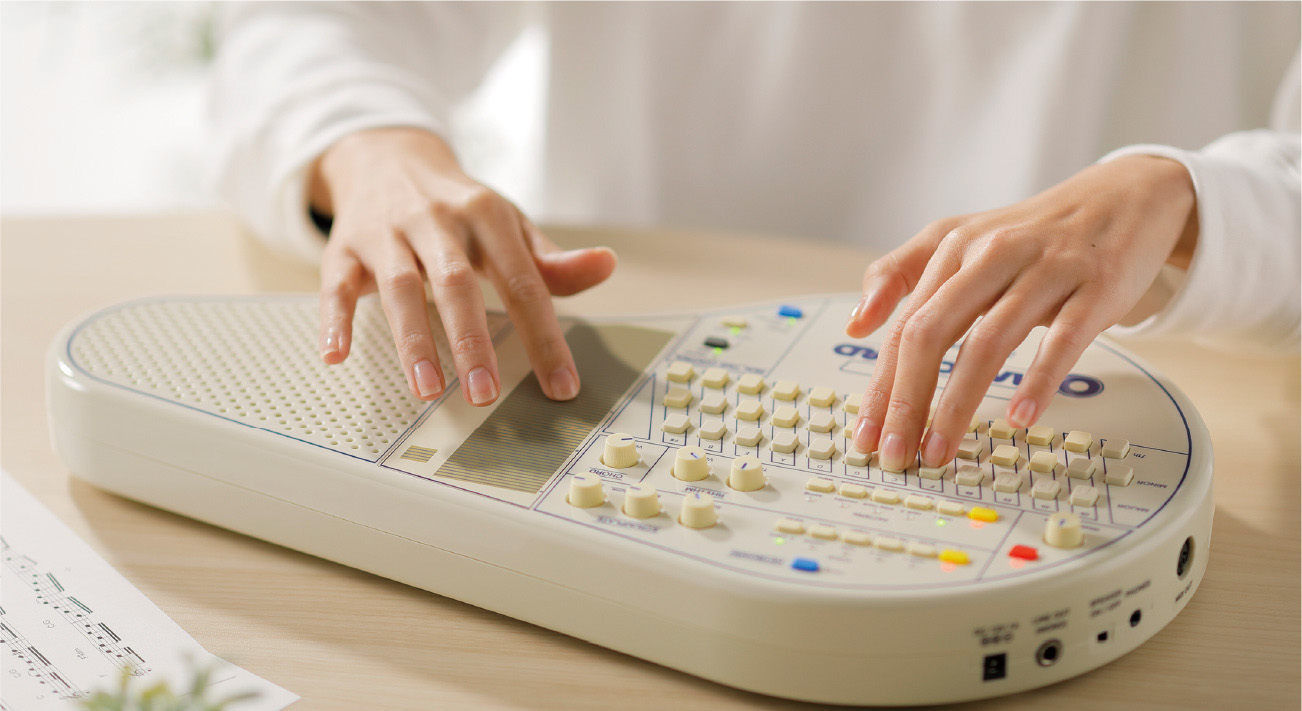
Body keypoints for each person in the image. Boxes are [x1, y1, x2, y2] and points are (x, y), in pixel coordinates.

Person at [210, 1, 1300, 471]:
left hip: (1090, 423)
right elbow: (314, 22)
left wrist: (1195, 200)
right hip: (633, 385)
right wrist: (371, 149)